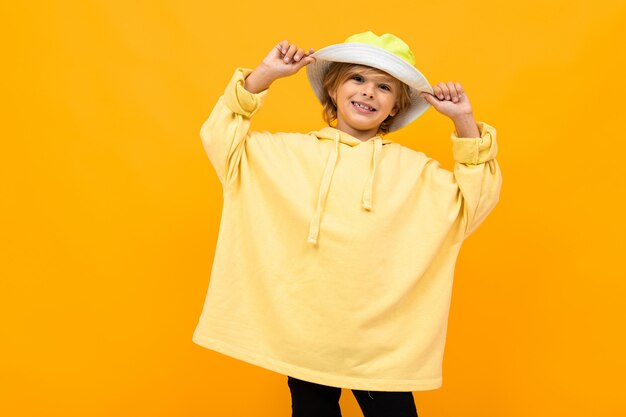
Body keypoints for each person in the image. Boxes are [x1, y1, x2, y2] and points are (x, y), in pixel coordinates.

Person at [192, 31, 502, 417]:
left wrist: (463, 121)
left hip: (380, 344)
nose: (369, 92)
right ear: (332, 89)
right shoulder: (287, 154)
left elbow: (474, 200)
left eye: (384, 86)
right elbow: (221, 139)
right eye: (357, 78)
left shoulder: (414, 173)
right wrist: (263, 76)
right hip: (304, 333)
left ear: (395, 107)